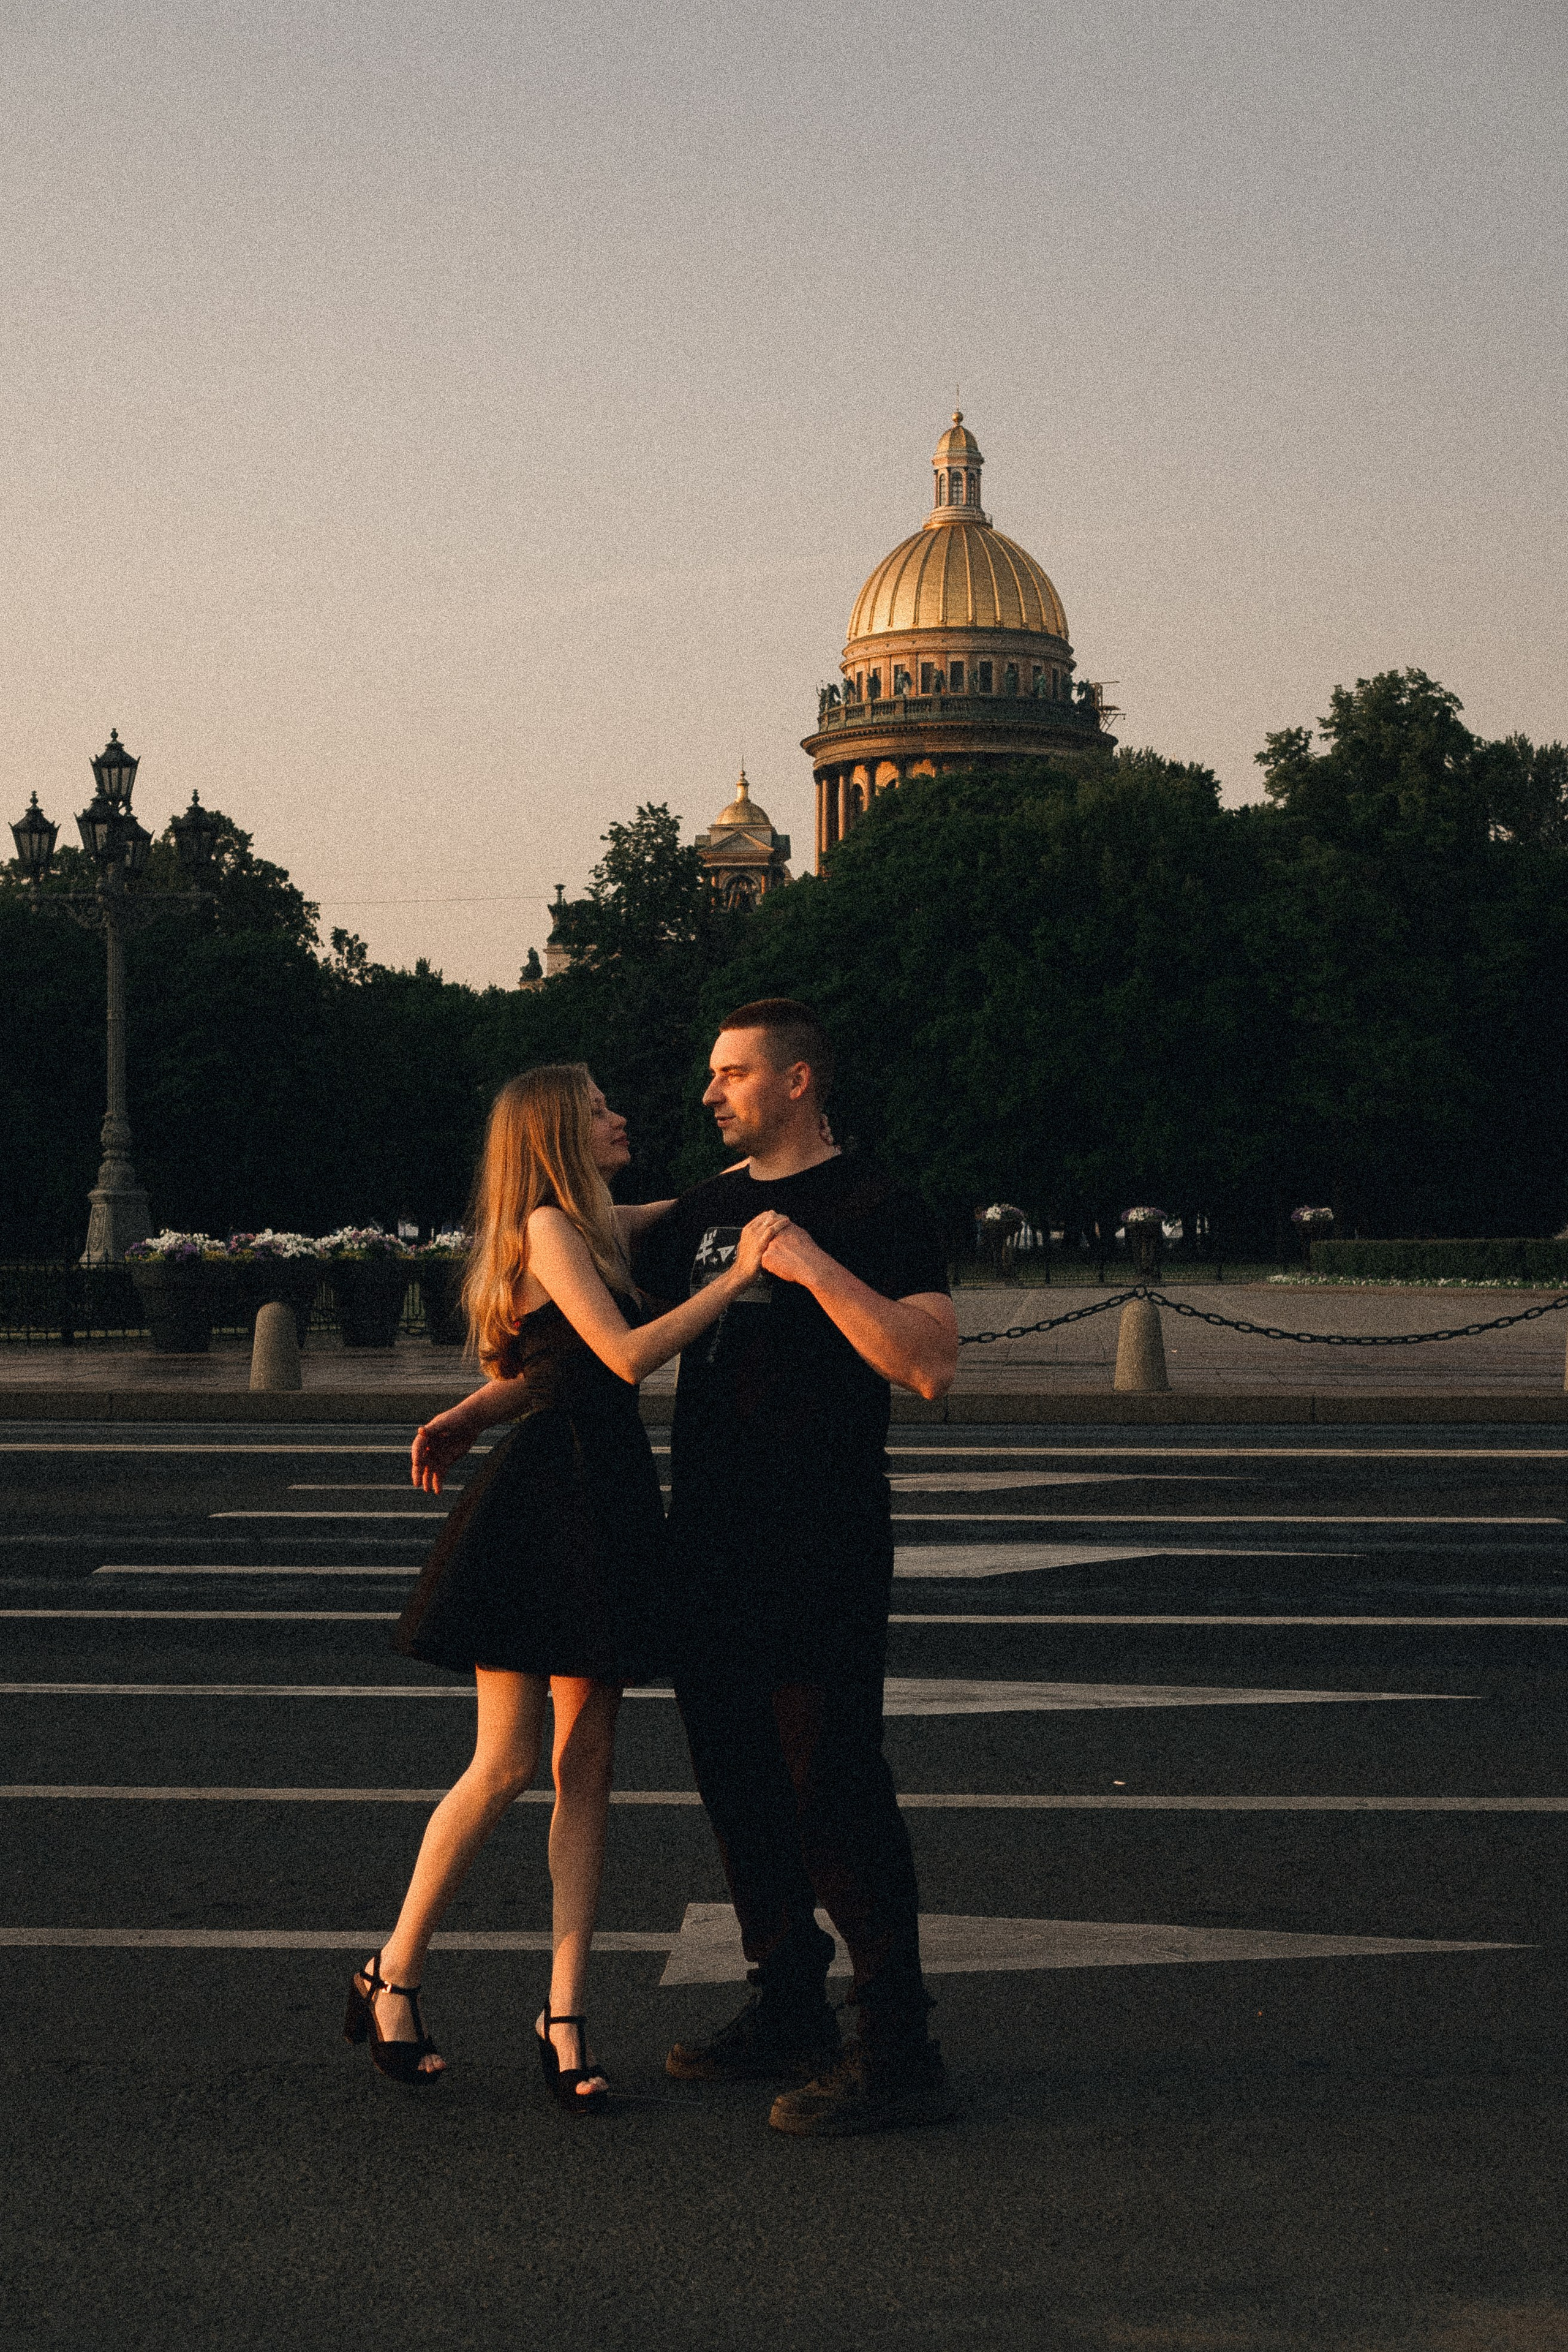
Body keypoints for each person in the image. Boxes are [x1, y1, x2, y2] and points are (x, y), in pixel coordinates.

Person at [342, 1062, 785, 2108]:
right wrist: (731, 1283)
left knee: (588, 1770)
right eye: (599, 1109)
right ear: (557, 1131)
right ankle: (391, 1970)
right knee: (504, 1764)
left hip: (604, 1493)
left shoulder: (592, 1224)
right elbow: (622, 1359)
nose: (621, 1116)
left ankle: (566, 2013)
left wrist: (466, 1412)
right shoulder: (548, 1225)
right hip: (551, 1504)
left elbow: (558, 1363)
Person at [635, 998, 960, 2138]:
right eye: (711, 1074)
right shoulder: (710, 1209)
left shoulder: (877, 1205)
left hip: (817, 1537)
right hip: (709, 1535)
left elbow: (927, 1366)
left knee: (833, 1785)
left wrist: (814, 1266)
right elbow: (594, 1300)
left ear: (799, 1082)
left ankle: (898, 2048)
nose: (710, 1093)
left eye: (732, 1074)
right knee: (737, 1780)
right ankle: (786, 2005)